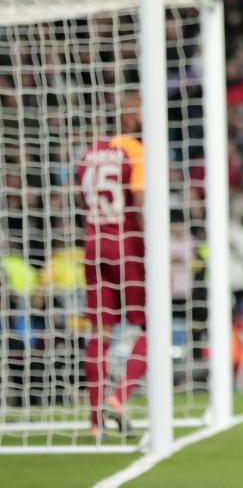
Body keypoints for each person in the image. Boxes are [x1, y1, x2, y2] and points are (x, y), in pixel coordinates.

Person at [76, 92, 147, 439]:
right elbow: (140, 202)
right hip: (126, 245)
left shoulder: (89, 154)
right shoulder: (133, 151)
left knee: (100, 334)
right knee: (152, 327)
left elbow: (83, 199)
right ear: (130, 115)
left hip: (92, 245)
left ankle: (94, 422)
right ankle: (119, 397)